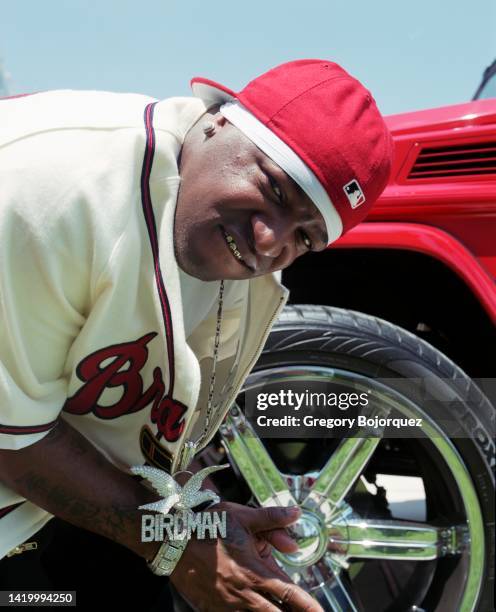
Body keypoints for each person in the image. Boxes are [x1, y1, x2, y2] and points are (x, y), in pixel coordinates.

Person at [0, 59, 393, 610]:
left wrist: (199, 517)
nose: (268, 240)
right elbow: (11, 441)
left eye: (305, 236)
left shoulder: (229, 248)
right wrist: (180, 544)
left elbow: (143, 433)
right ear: (217, 122)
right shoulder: (48, 186)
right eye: (275, 190)